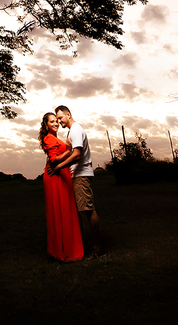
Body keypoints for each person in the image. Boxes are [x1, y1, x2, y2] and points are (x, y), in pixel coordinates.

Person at [50, 104, 102, 257]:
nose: (59, 121)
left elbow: (77, 155)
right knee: (80, 212)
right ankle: (81, 246)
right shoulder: (71, 132)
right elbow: (70, 152)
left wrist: (59, 167)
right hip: (76, 175)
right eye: (57, 119)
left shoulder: (76, 130)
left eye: (60, 117)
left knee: (88, 210)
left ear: (68, 115)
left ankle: (97, 249)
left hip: (81, 175)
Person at [38, 112, 83, 262]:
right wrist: (68, 151)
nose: (56, 123)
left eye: (56, 121)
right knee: (60, 211)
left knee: (66, 210)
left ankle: (67, 247)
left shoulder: (54, 138)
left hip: (62, 174)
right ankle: (60, 250)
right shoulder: (49, 138)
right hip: (55, 177)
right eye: (52, 122)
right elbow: (53, 160)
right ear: (46, 125)